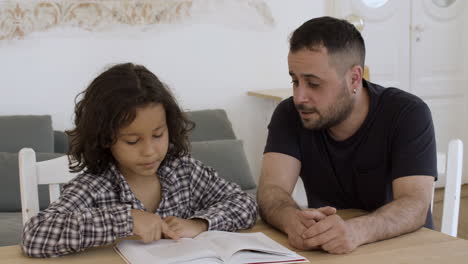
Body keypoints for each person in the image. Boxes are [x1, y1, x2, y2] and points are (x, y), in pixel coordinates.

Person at [22, 63, 257, 258]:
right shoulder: (95, 186)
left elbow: (245, 205)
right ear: (105, 139)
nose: (149, 151)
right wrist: (126, 221)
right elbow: (35, 236)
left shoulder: (185, 172)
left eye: (158, 135)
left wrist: (199, 224)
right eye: (132, 141)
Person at [257, 16, 437, 254]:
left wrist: (356, 231)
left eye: (313, 83)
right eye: (295, 80)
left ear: (354, 78)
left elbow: (415, 204)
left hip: (405, 250)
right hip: (331, 253)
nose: (299, 97)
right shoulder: (289, 114)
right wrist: (292, 220)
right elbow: (271, 190)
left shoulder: (407, 113)